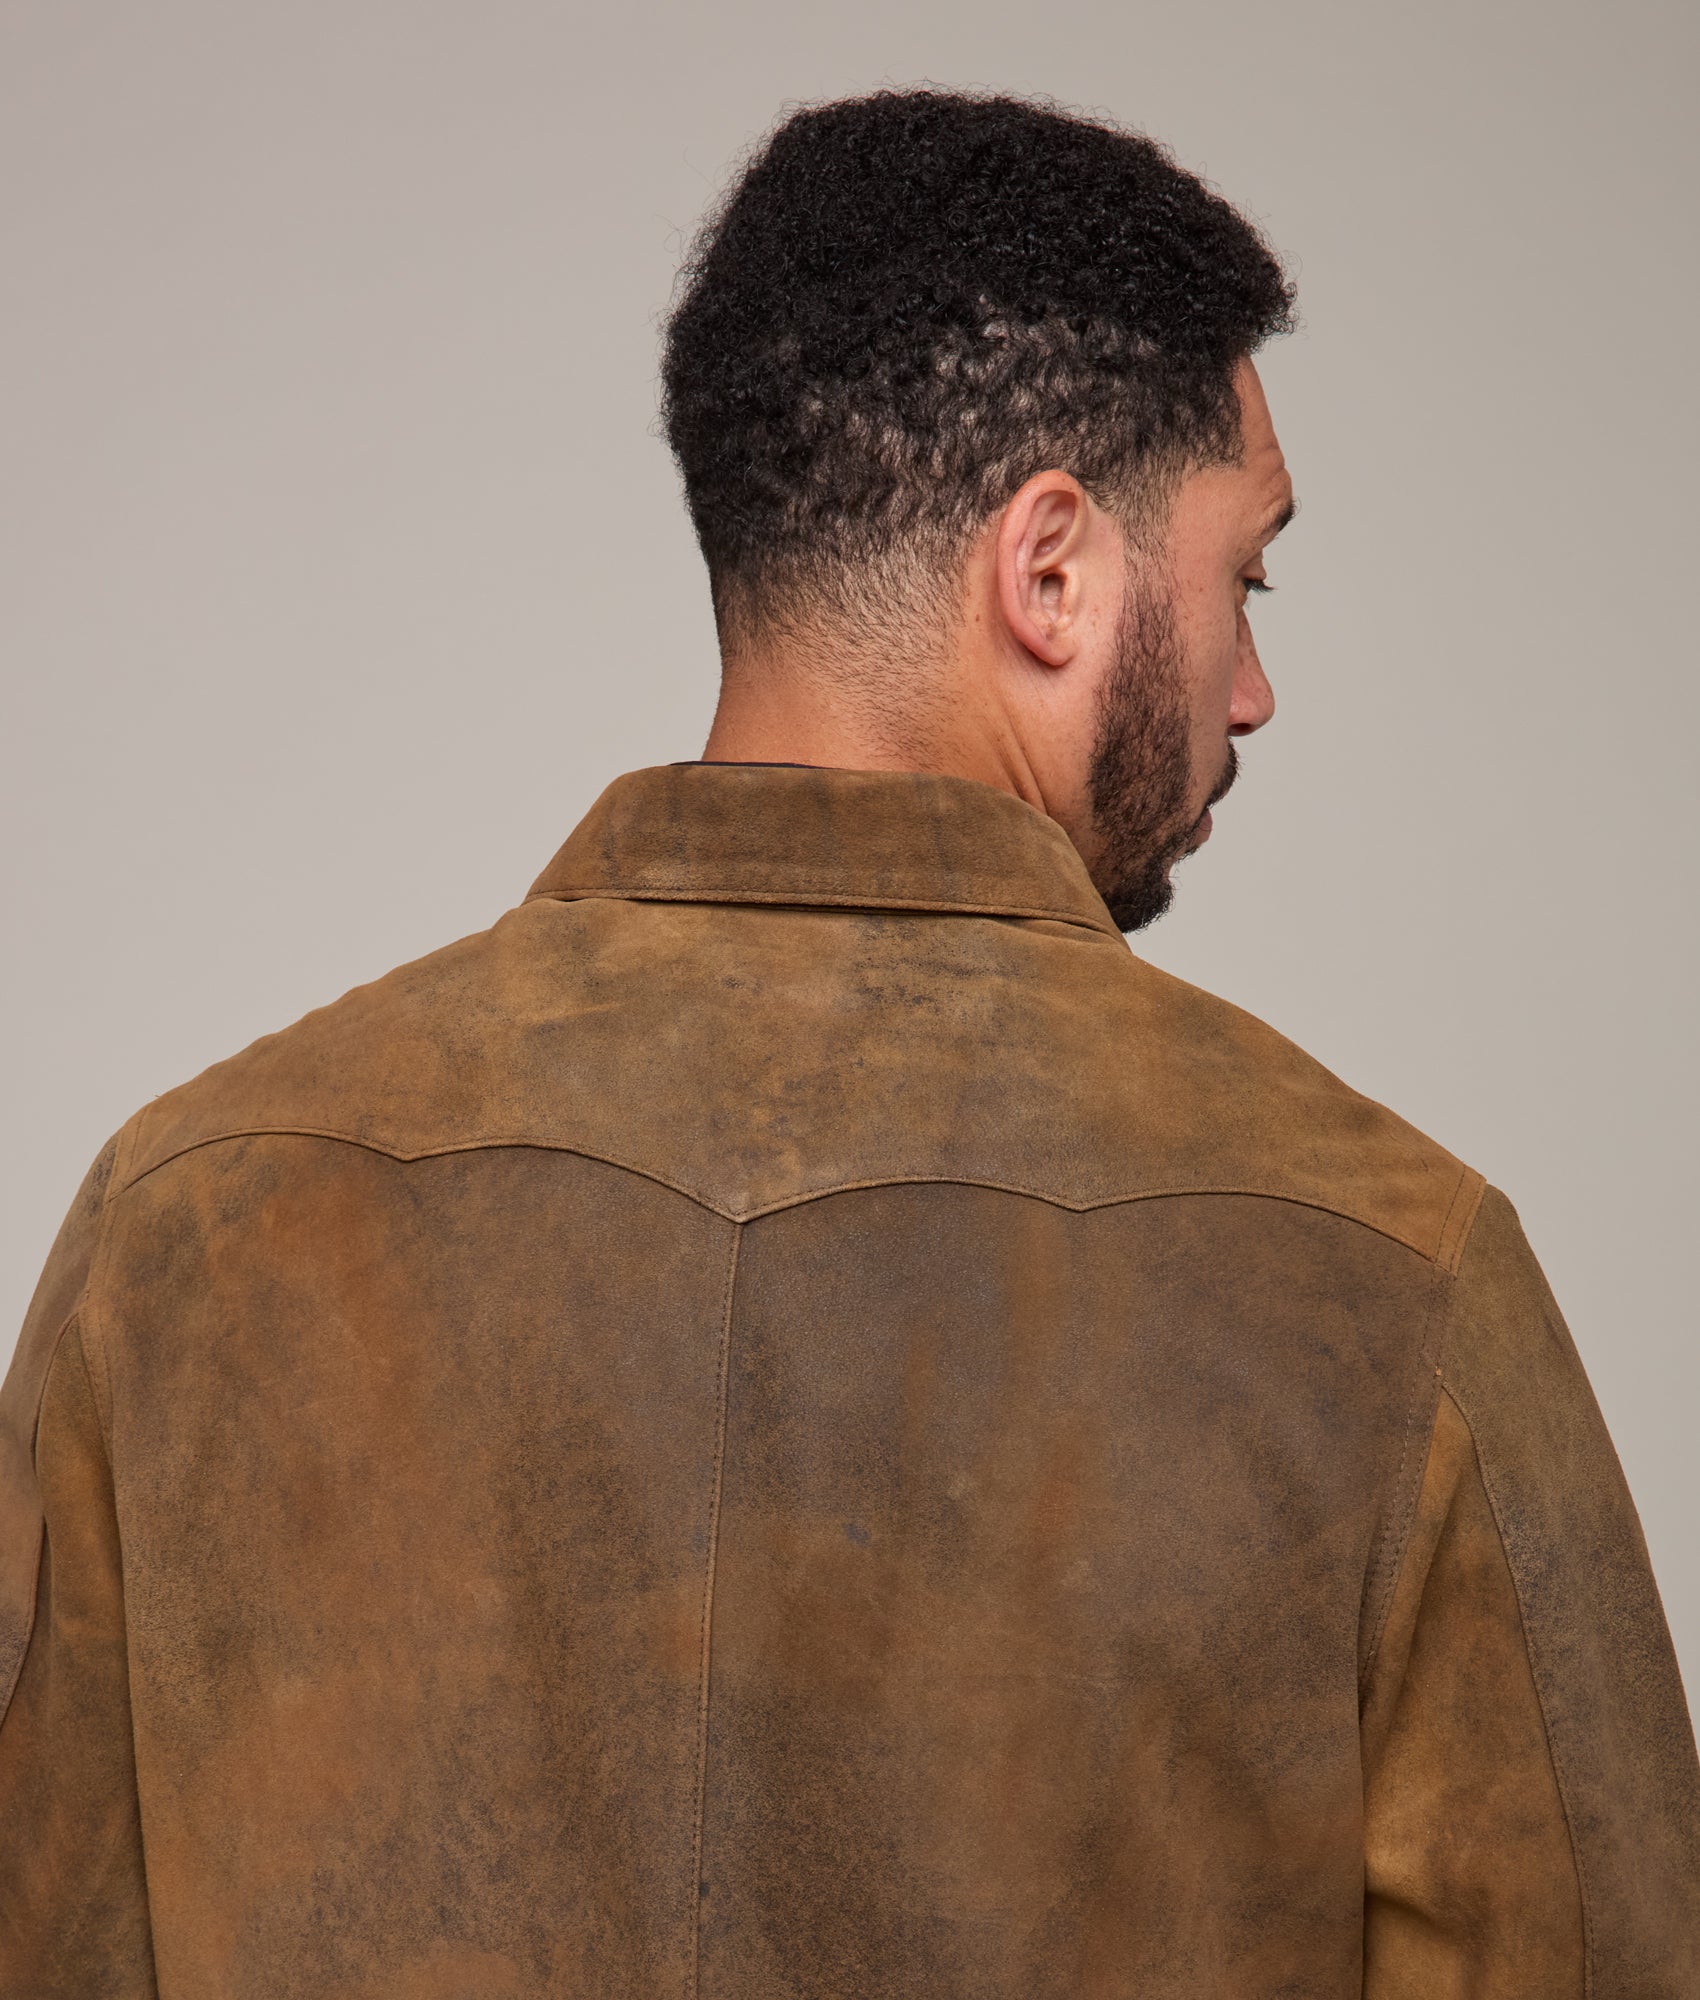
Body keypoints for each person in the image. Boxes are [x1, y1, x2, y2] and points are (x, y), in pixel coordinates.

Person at [0, 86, 1694, 1996]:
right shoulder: (1389, 1278)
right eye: (1247, 577)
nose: (1254, 687)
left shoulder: (190, 1227)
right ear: (1049, 571)